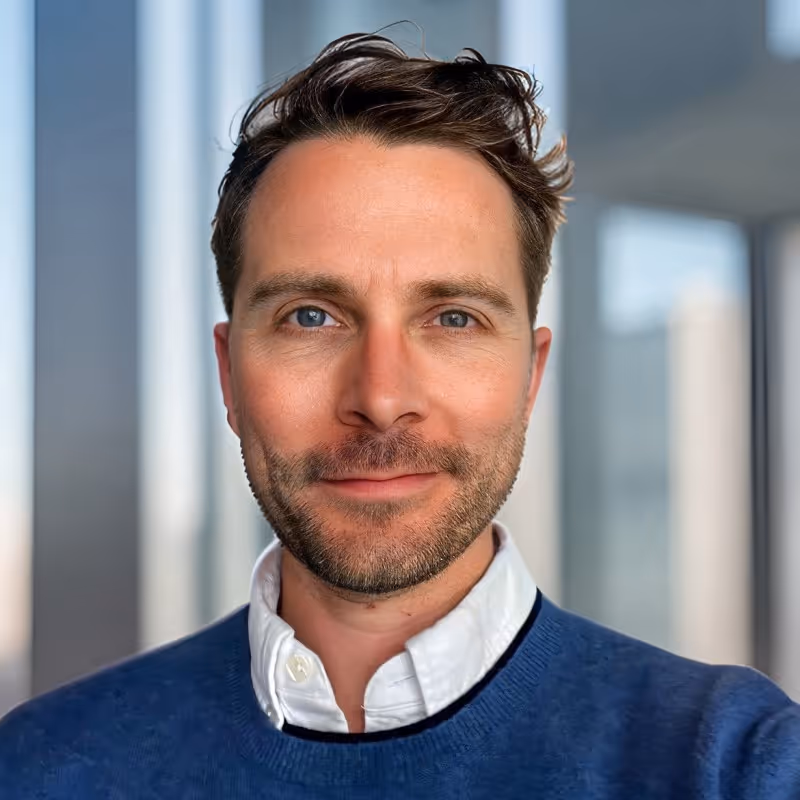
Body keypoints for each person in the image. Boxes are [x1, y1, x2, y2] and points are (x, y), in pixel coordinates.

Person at [1, 31, 798, 799]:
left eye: (453, 318)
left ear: (531, 373)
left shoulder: (739, 767)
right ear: (229, 374)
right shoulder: (39, 769)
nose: (380, 399)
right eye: (311, 317)